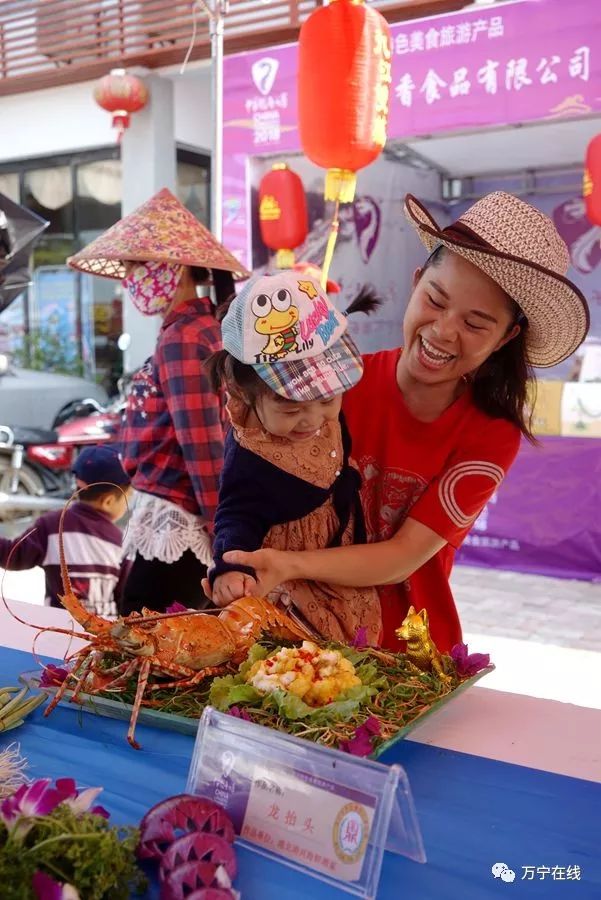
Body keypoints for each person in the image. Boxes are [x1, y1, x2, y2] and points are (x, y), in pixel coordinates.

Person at [218, 192, 590, 652]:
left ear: (506, 337)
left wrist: (289, 564)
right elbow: (253, 476)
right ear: (416, 284)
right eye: (435, 300)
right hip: (295, 637)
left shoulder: (490, 433)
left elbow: (402, 558)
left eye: (476, 324)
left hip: (407, 656)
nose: (443, 331)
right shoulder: (335, 387)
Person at [68, 188, 249, 614]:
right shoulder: (198, 329)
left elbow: (204, 443)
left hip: (181, 517)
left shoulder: (184, 337)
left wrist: (221, 531)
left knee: (141, 636)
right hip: (183, 515)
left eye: (137, 265)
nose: (131, 277)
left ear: (173, 269)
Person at [204, 269, 382, 645]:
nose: (313, 419)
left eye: (327, 400)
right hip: (286, 583)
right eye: (290, 408)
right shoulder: (251, 454)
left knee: (350, 656)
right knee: (296, 662)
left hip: (336, 559)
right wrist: (229, 570)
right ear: (243, 391)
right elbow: (235, 515)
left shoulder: (323, 413)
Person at [0, 446, 132, 617]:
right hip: (105, 637)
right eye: (128, 497)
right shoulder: (120, 541)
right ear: (108, 501)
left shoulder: (52, 524)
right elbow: (124, 596)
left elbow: (13, 556)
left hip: (56, 630)